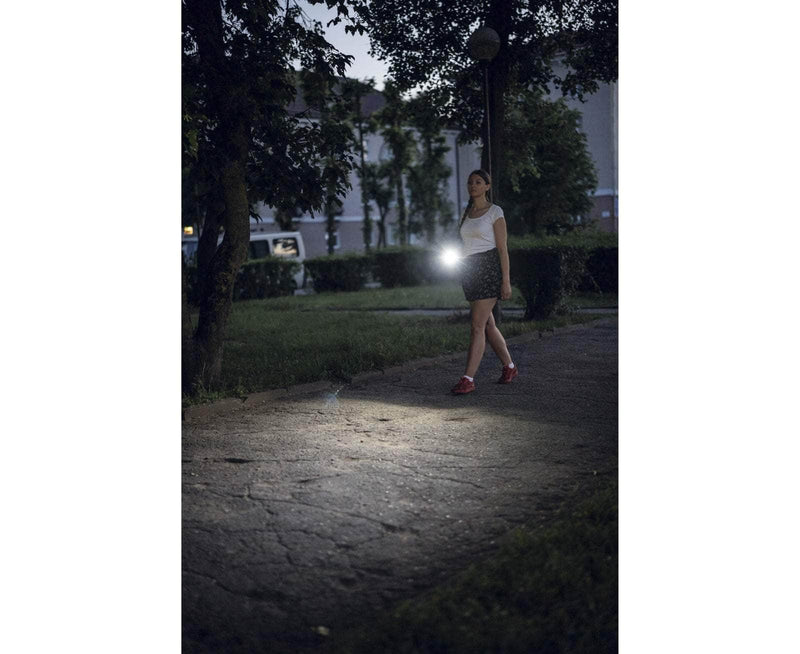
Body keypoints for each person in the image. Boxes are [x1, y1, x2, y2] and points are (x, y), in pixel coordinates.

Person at [451, 169, 518, 395]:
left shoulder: (495, 212)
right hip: (470, 271)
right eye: (470, 182)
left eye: (479, 182)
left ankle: (468, 379)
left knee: (477, 326)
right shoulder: (468, 212)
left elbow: (502, 248)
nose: (473, 186)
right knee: (488, 325)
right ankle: (509, 367)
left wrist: (505, 280)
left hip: (489, 269)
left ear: (487, 186)